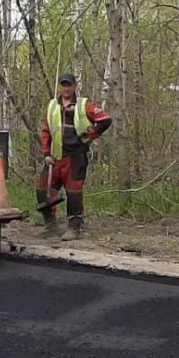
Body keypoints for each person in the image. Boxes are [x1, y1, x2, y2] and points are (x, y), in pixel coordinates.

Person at [38, 73, 112, 241]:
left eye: (69, 85)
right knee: (43, 189)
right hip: (56, 157)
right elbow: (45, 130)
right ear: (59, 86)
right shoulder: (51, 106)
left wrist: (90, 136)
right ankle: (50, 225)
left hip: (76, 156)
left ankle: (74, 227)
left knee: (74, 193)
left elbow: (105, 120)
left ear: (74, 86)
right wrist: (46, 153)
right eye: (63, 85)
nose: (66, 88)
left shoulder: (83, 105)